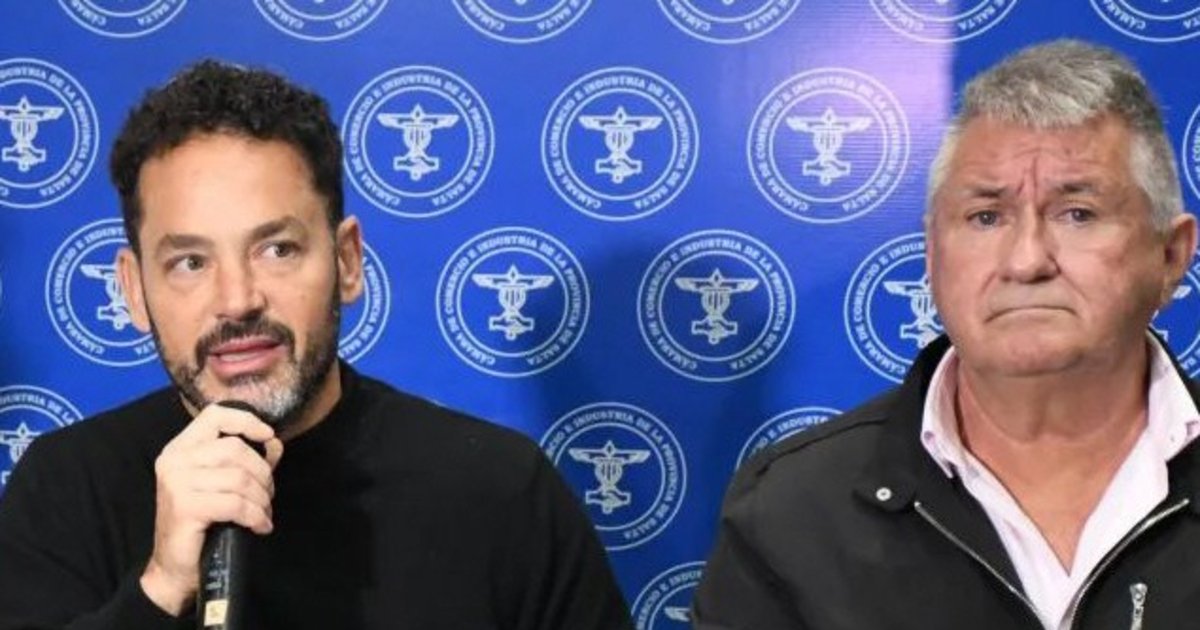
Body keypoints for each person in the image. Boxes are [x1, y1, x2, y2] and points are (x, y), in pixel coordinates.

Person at [0, 60, 632, 630]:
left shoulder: (499, 489)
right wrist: (160, 589)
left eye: (277, 249)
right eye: (190, 262)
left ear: (347, 260)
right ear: (135, 291)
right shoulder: (66, 489)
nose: (238, 299)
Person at [693, 40, 1200, 629]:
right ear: (932, 257)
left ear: (1171, 255)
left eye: (1077, 214)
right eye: (986, 217)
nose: (1026, 261)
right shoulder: (792, 511)